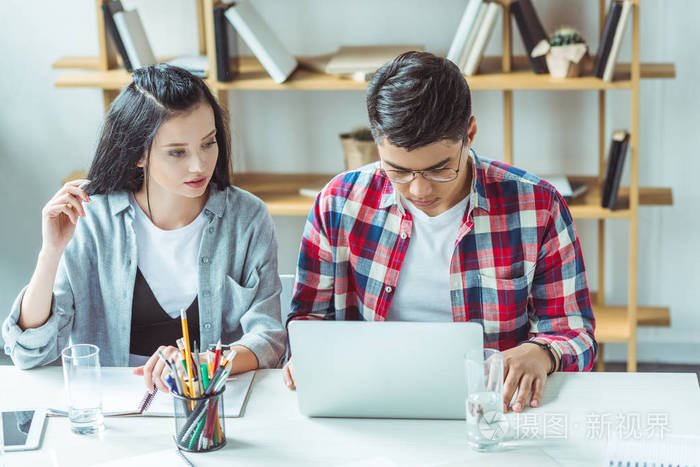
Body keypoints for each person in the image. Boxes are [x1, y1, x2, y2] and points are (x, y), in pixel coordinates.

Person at [282, 52, 597, 413]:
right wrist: (306, 358)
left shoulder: (537, 206)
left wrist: (541, 352)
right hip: (371, 401)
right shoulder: (338, 203)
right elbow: (307, 320)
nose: (419, 191)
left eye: (439, 169)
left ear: (470, 134)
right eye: (398, 172)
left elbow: (576, 333)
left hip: (492, 407)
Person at [2, 64, 286, 392]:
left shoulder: (247, 218)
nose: (199, 164)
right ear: (138, 153)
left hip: (211, 410)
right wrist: (50, 253)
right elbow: (30, 353)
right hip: (116, 413)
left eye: (208, 143)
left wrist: (206, 362)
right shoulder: (93, 218)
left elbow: (269, 339)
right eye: (177, 152)